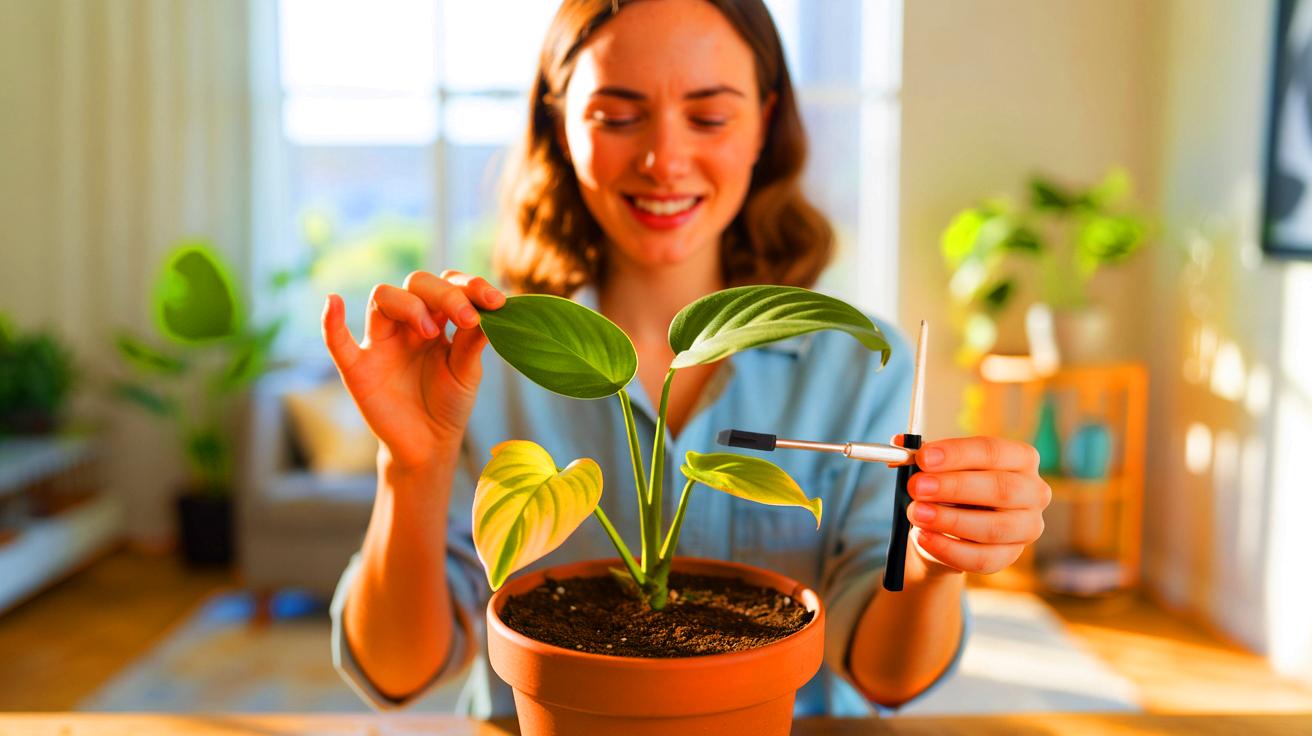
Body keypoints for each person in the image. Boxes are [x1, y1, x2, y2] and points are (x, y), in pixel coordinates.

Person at [321, 0, 1049, 719]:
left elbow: (887, 676)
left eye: (708, 116)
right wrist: (413, 465)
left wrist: (931, 558)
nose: (663, 160)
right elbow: (395, 672)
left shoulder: (853, 369)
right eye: (616, 114)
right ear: (559, 122)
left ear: (765, 120)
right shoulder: (479, 362)